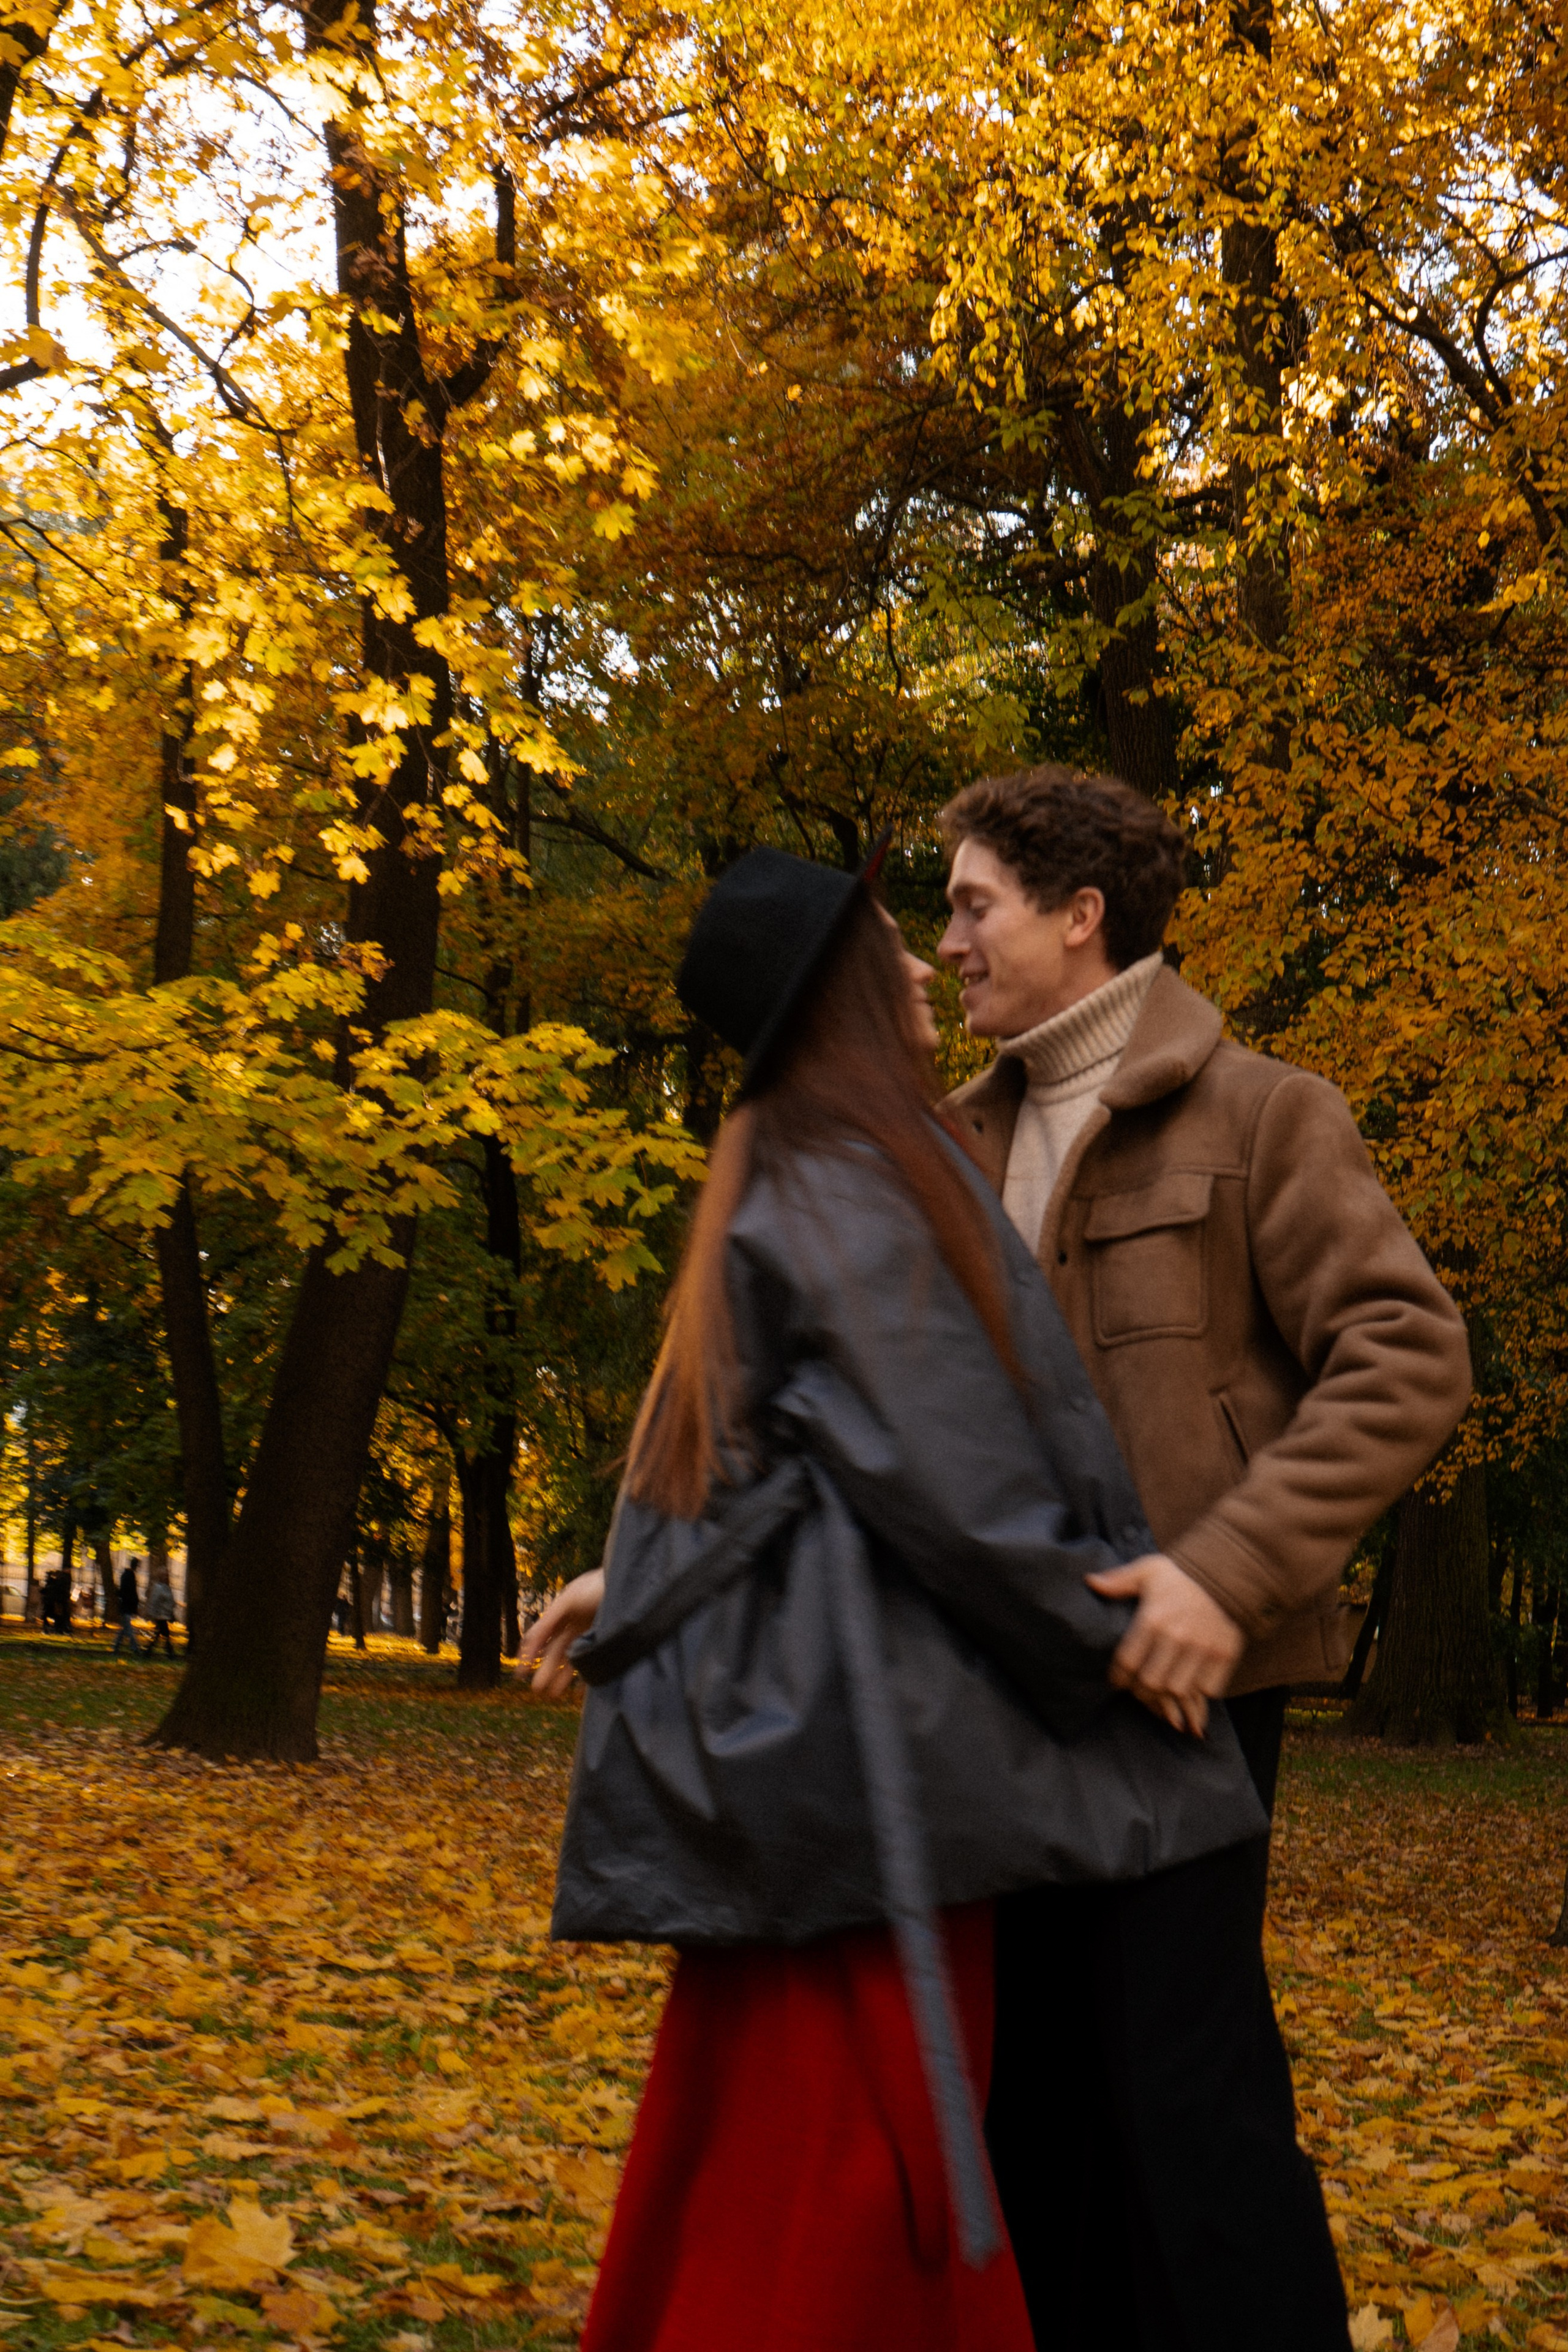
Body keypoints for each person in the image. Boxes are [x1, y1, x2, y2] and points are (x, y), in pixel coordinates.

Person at [532, 845, 1270, 2352]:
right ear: (837, 994)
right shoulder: (852, 1178)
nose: (927, 963)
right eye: (894, 941)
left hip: (817, 1773)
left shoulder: (800, 1163)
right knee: (848, 2178)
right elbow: (952, 1481)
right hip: (866, 1776)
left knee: (765, 2153)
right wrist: (1121, 1635)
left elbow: (762, 1465)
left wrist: (641, 1576)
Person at [935, 764, 1472, 2350]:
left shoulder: (1264, 1117)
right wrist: (674, 1567)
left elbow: (1406, 1358)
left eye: (973, 905)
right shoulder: (955, 1149)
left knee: (1187, 2099)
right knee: (1029, 2105)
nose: (948, 941)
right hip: (993, 1695)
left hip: (1182, 1692)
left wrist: (1222, 1575)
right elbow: (872, 1423)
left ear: (1078, 914)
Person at [111, 1557, 143, 1658]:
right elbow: (131, 1593)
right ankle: (135, 1648)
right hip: (127, 1606)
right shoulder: (130, 1576)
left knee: (124, 1629)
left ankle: (115, 1647)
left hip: (125, 1605)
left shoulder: (126, 1575)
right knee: (128, 1629)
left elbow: (123, 1591)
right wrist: (136, 1604)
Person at [145, 1567, 178, 1656]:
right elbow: (154, 1601)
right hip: (160, 1615)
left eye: (167, 1575)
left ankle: (149, 1651)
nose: (166, 1577)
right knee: (165, 1634)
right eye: (164, 1575)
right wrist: (151, 1613)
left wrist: (172, 1611)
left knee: (160, 1634)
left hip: (165, 1615)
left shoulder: (167, 1587)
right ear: (160, 1576)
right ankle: (170, 1652)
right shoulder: (158, 1588)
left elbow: (170, 1601)